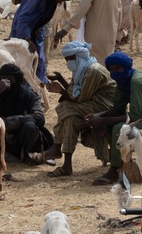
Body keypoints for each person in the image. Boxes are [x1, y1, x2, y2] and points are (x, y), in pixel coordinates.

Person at [86, 52, 142, 185]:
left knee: (119, 128)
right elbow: (117, 108)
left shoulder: (136, 82)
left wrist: (103, 119)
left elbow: (134, 116)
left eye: (118, 68)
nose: (114, 72)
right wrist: (98, 116)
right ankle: (118, 162)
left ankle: (113, 170)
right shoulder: (123, 81)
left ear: (126, 68)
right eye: (111, 69)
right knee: (108, 126)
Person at [43, 42, 117, 178]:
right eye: (66, 59)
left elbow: (79, 98)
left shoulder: (93, 71)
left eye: (69, 59)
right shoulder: (81, 69)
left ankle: (56, 148)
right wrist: (61, 79)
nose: (68, 62)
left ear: (78, 56)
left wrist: (60, 90)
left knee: (65, 107)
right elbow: (74, 93)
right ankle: (66, 165)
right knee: (71, 120)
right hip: (91, 103)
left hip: (105, 106)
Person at [9, 0, 74, 84]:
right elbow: (24, 17)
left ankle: (40, 83)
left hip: (37, 27)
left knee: (39, 58)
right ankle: (23, 88)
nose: (60, 2)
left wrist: (39, 26)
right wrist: (27, 39)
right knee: (23, 58)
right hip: (22, 28)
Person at [0, 64, 53, 166]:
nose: (6, 83)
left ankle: (29, 155)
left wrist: (8, 121)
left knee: (30, 126)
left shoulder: (28, 94)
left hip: (25, 136)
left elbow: (39, 117)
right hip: (5, 138)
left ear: (17, 80)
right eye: (2, 79)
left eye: (9, 79)